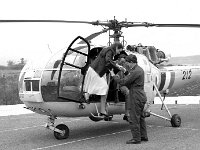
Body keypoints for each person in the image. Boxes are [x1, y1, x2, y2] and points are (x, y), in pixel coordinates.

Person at [110, 54, 148, 144]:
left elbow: (124, 81)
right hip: (140, 95)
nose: (127, 64)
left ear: (131, 62)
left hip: (136, 96)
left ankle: (136, 138)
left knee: (134, 118)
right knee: (141, 117)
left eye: (127, 63)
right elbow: (131, 77)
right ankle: (143, 136)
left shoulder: (135, 71)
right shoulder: (138, 69)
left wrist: (113, 75)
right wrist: (125, 71)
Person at [83, 42, 123, 118]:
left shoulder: (107, 50)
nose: (119, 52)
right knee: (104, 88)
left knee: (101, 87)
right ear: (117, 47)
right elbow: (108, 60)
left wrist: (117, 65)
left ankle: (88, 96)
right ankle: (102, 110)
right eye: (119, 50)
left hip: (96, 70)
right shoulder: (110, 51)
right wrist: (117, 67)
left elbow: (107, 61)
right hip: (97, 71)